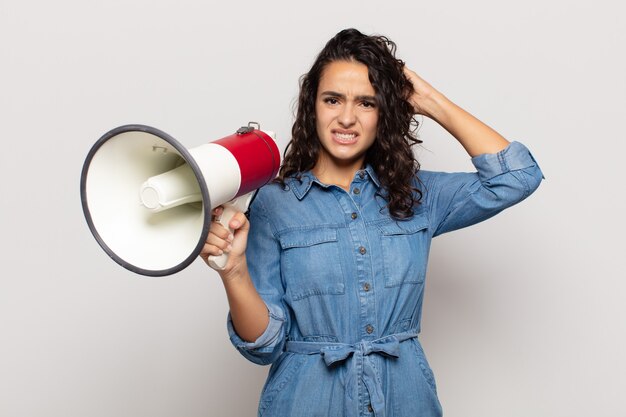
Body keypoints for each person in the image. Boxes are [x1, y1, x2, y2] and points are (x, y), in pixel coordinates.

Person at [200, 28, 543, 417]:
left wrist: (429, 100)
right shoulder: (273, 204)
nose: (347, 118)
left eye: (366, 102)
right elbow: (264, 345)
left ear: (385, 111)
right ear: (312, 106)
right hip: (305, 402)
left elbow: (517, 177)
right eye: (333, 100)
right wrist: (234, 271)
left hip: (406, 400)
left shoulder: (418, 196)